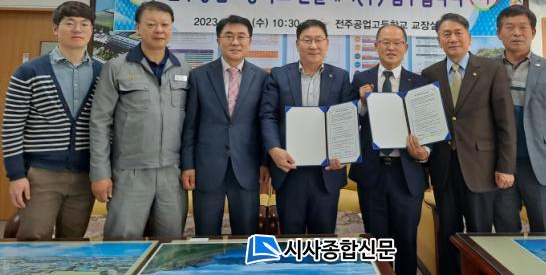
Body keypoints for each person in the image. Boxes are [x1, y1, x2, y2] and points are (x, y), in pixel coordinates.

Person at [421, 13, 516, 275]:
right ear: (439, 41)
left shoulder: (491, 69)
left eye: (458, 33)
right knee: (447, 233)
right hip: (443, 168)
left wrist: (505, 166)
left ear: (469, 37)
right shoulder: (429, 74)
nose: (452, 39)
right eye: (446, 34)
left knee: (480, 234)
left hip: (481, 167)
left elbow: (505, 122)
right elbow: (426, 122)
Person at [89, 1, 191, 238]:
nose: (159, 30)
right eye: (151, 24)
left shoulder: (183, 69)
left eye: (165, 24)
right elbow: (100, 123)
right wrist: (100, 173)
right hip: (129, 172)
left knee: (169, 243)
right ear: (137, 28)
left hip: (171, 174)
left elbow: (191, 125)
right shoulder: (116, 67)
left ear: (172, 27)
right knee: (122, 243)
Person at [2, 1, 101, 240]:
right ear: (56, 28)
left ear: (91, 30)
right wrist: (16, 175)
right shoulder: (29, 72)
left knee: (72, 243)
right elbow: (12, 127)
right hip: (41, 174)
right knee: (33, 241)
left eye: (84, 24)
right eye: (69, 23)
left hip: (85, 175)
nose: (77, 29)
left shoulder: (103, 72)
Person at [350, 24, 430, 275]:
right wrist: (362, 104)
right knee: (376, 242)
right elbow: (347, 123)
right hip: (371, 173)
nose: (391, 47)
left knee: (406, 240)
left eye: (397, 43)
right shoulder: (360, 79)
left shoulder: (419, 82)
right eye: (385, 42)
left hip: (406, 173)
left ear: (406, 47)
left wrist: (425, 152)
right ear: (376, 46)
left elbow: (429, 126)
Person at [260, 19, 352, 234]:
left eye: (318, 40)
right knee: (291, 239)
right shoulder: (279, 75)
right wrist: (273, 150)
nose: (313, 45)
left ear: (327, 43)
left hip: (327, 172)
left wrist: (343, 152)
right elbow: (268, 116)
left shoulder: (340, 77)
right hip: (289, 170)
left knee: (323, 238)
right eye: (307, 40)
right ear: (297, 43)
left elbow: (346, 119)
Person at [181, 15, 269, 235]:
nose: (235, 42)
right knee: (205, 234)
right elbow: (190, 126)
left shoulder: (262, 78)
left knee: (246, 234)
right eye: (229, 36)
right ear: (218, 40)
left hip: (247, 167)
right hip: (207, 168)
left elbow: (264, 125)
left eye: (241, 36)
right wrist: (188, 165)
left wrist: (265, 163)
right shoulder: (199, 76)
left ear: (250, 41)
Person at [493, 5, 546, 233]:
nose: (516, 33)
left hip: (541, 164)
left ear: (533, 32)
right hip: (500, 164)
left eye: (523, 27)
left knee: (545, 231)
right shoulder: (488, 68)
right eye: (509, 27)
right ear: (499, 33)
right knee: (505, 232)